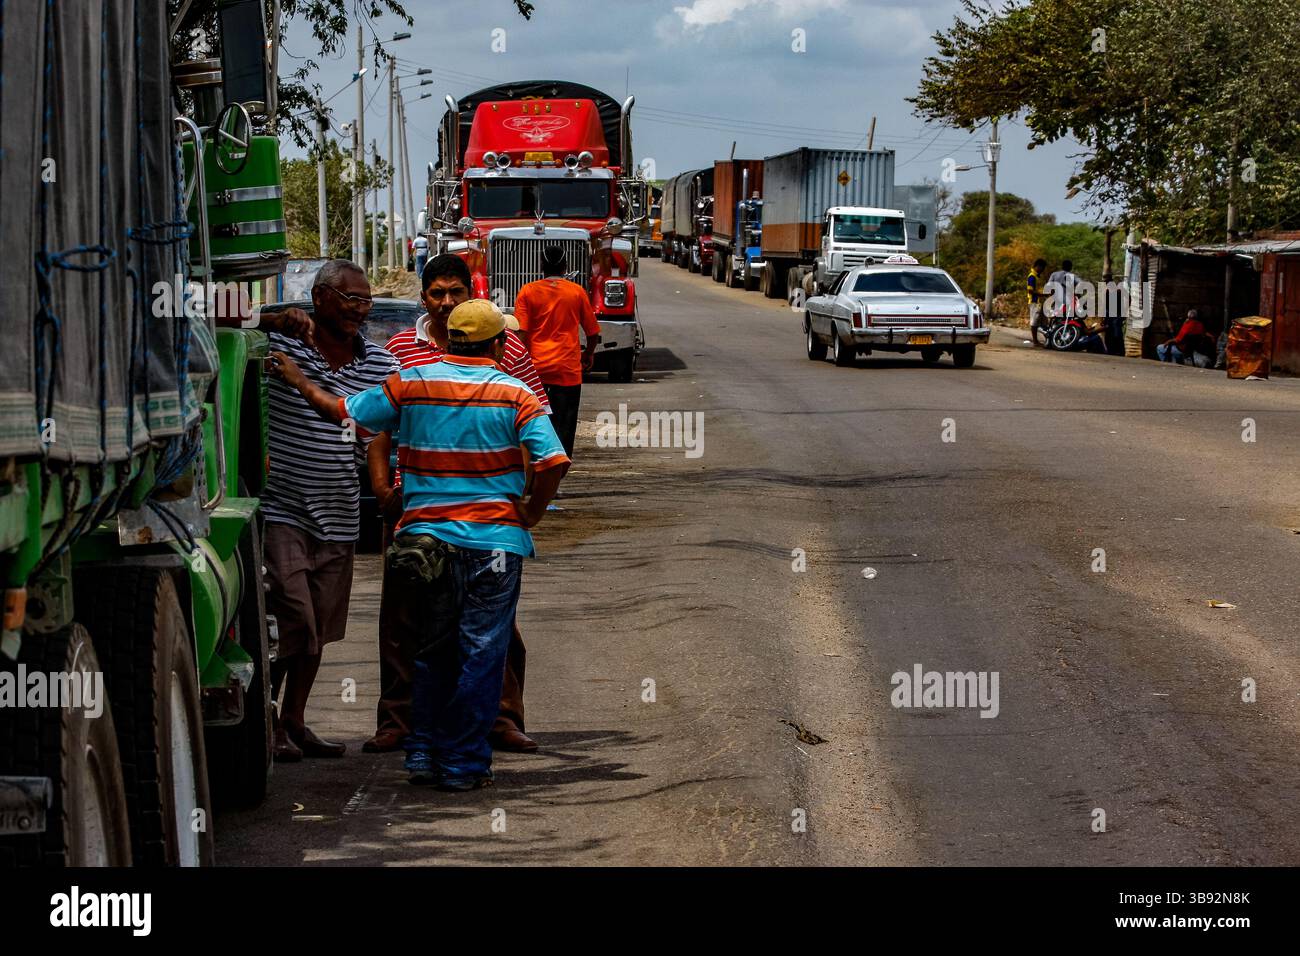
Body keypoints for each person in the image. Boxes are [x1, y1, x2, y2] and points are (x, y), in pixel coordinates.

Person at [268, 299, 570, 791]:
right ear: (498, 345)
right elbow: (553, 461)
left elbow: (342, 411)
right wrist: (530, 512)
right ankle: (464, 764)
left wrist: (297, 379)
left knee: (431, 650)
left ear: (449, 339)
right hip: (493, 543)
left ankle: (424, 754)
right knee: (481, 653)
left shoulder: (410, 381)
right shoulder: (516, 394)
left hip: (424, 541)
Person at [364, 254, 549, 755]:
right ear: (422, 297)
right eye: (437, 293)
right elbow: (378, 430)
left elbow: (538, 436)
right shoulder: (400, 348)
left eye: (455, 292)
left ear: (471, 292)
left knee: (493, 623)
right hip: (414, 508)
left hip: (488, 512)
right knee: (402, 618)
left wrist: (523, 505)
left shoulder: (506, 348)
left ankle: (501, 719)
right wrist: (384, 494)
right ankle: (398, 721)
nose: (446, 302)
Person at [260, 260, 399, 762]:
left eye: (366, 301)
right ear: (320, 298)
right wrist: (274, 319)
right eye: (350, 299)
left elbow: (382, 436)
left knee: (317, 626)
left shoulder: (382, 366)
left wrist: (386, 490)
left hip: (340, 512)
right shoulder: (284, 346)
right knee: (290, 617)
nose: (360, 309)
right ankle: (266, 721)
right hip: (283, 507)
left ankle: (293, 720)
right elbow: (220, 325)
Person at [513, 245, 601, 458]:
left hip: (535, 373)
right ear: (565, 266)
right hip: (567, 372)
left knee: (533, 425)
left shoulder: (528, 291)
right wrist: (588, 355)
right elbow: (592, 333)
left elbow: (521, 334)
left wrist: (514, 364)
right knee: (565, 426)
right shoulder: (576, 292)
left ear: (541, 265)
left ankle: (535, 471)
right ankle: (558, 471)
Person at [1026, 258, 1048, 346]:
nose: (1042, 270)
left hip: (1040, 302)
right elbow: (1030, 291)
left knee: (1043, 321)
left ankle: (1043, 341)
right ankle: (1035, 341)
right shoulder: (1032, 276)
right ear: (1037, 266)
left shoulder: (1038, 276)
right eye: (1042, 267)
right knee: (1034, 322)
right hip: (1034, 302)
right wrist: (1043, 294)